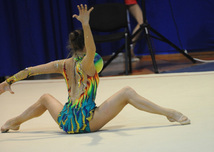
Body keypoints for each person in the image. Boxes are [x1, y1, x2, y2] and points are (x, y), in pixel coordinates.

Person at [0, 4, 190, 134]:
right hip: (86, 122)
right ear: (85, 45)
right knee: (127, 92)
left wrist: (8, 82)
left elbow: (30, 70)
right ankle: (169, 113)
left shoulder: (62, 65)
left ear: (72, 46)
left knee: (45, 98)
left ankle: (13, 122)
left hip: (66, 122)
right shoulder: (87, 63)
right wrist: (86, 24)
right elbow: (92, 49)